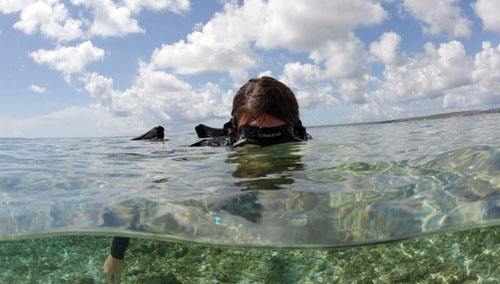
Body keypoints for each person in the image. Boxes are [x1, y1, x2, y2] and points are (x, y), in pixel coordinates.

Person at [103, 76, 308, 283]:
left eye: (280, 143)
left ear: (297, 133)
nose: (266, 163)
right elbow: (143, 195)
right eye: (254, 143)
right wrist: (115, 255)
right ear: (236, 135)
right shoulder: (209, 152)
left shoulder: (303, 144)